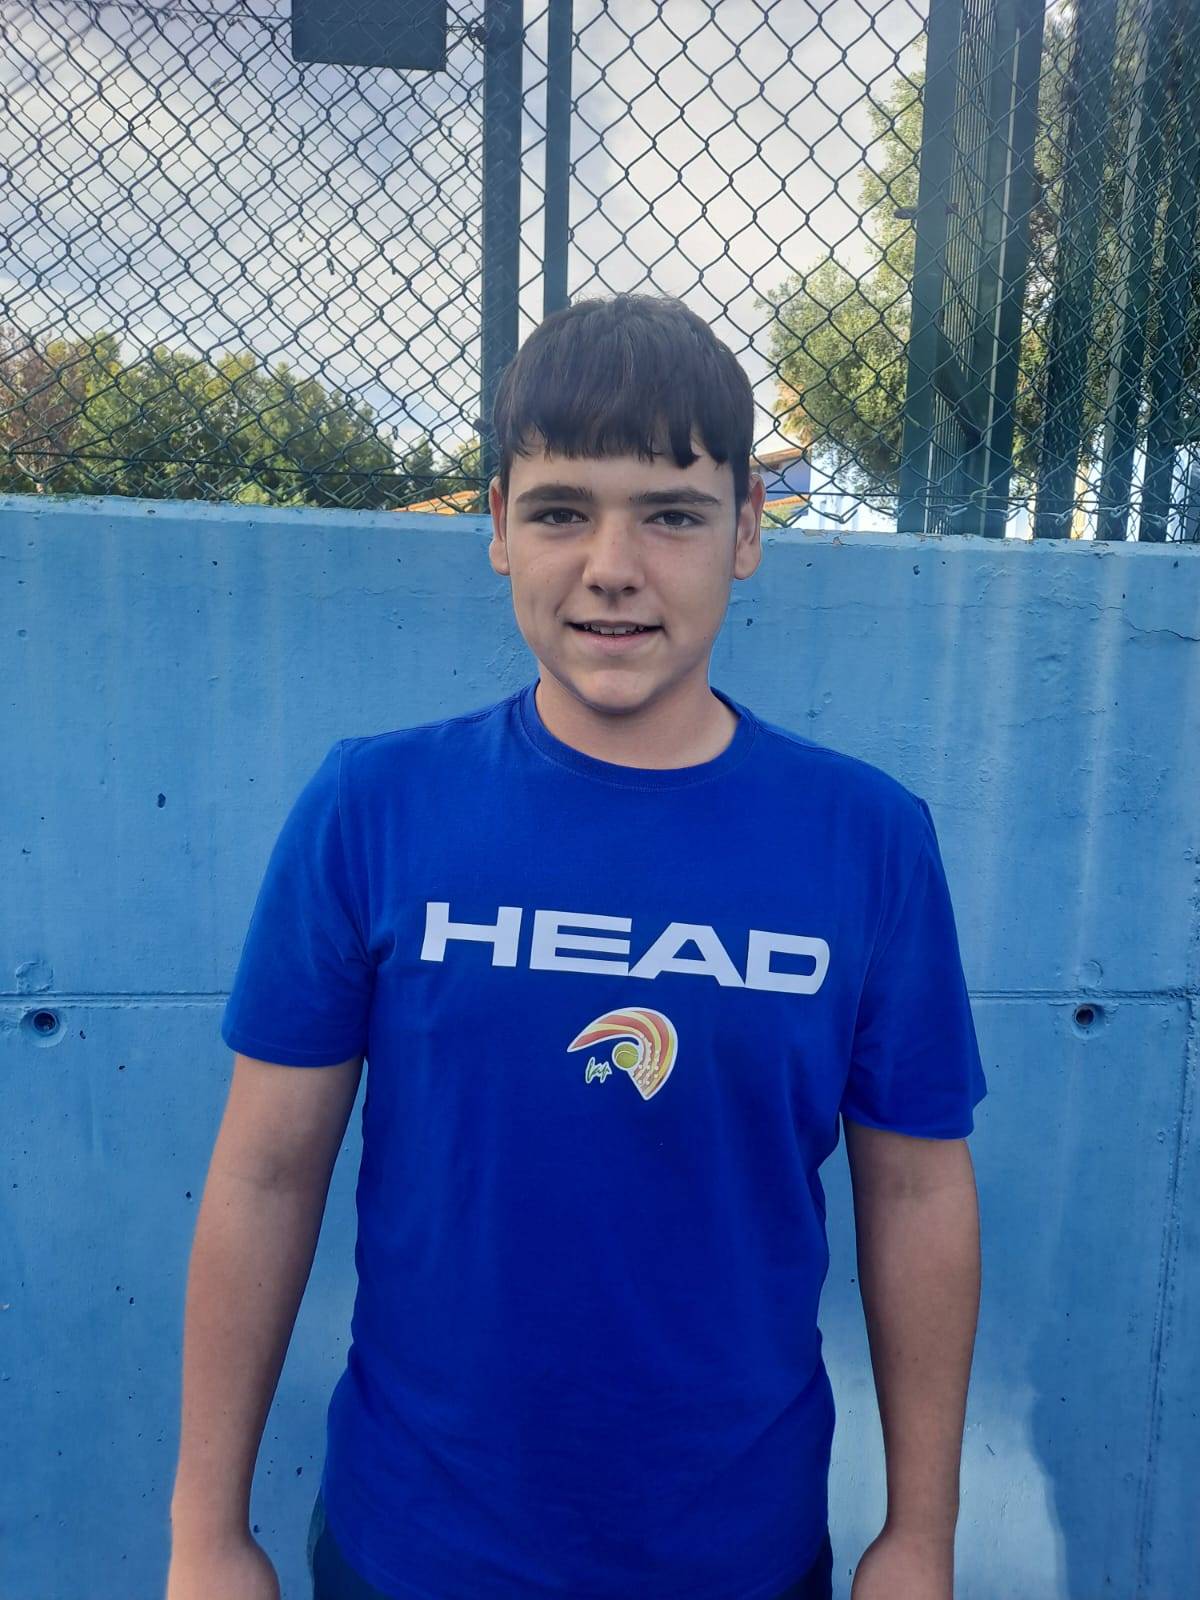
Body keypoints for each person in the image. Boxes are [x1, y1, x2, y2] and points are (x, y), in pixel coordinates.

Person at [167, 292, 986, 1600]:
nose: (612, 564)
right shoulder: (372, 809)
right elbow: (265, 1178)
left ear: (748, 531)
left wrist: (921, 1537)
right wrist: (205, 1534)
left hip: (737, 1552)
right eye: (560, 510)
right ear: (498, 527)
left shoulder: (867, 840)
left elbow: (917, 1195)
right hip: (414, 1550)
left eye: (671, 514)